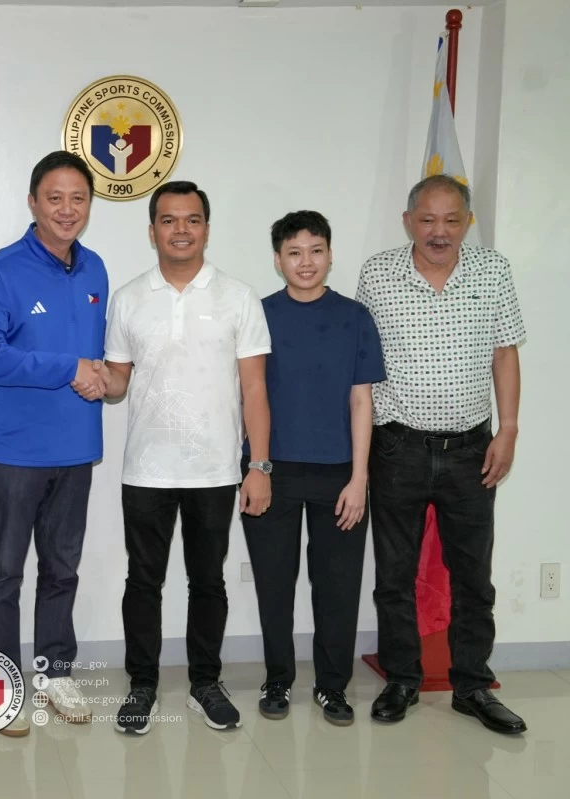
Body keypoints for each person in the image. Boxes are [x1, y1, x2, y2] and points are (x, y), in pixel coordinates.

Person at [356, 175, 527, 734]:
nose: (439, 231)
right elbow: (360, 365)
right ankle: (402, 679)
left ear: (467, 223)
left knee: (474, 575)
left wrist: (509, 429)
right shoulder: (377, 274)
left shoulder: (493, 270)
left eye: (452, 220)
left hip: (471, 450)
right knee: (395, 574)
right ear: (408, 221)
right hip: (398, 446)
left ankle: (472, 685)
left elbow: (505, 354)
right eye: (427, 220)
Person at [103, 181, 271, 735]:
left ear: (206, 228)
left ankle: (205, 683)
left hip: (216, 469)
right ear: (151, 230)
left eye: (192, 219)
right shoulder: (128, 298)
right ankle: (142, 686)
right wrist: (83, 376)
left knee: (209, 582)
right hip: (146, 468)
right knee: (142, 581)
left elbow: (255, 391)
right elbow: (118, 382)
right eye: (169, 220)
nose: (181, 230)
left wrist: (259, 465)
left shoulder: (239, 297)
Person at [0, 151, 109, 736]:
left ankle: (53, 675)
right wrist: (67, 367)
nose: (67, 209)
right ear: (32, 202)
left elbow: (103, 356)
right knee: (4, 573)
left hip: (76, 448)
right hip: (15, 452)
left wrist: (103, 373)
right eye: (55, 198)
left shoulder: (96, 268)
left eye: (78, 199)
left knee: (62, 570)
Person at [241, 211, 385, 727]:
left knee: (338, 586)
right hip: (271, 472)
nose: (307, 262)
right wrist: (255, 468)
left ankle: (332, 688)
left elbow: (361, 402)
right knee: (274, 584)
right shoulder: (256, 314)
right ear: (278, 259)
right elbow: (247, 394)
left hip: (339, 475)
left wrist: (360, 479)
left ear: (330, 255)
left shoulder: (354, 317)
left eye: (316, 250)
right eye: (295, 252)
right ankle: (277, 679)